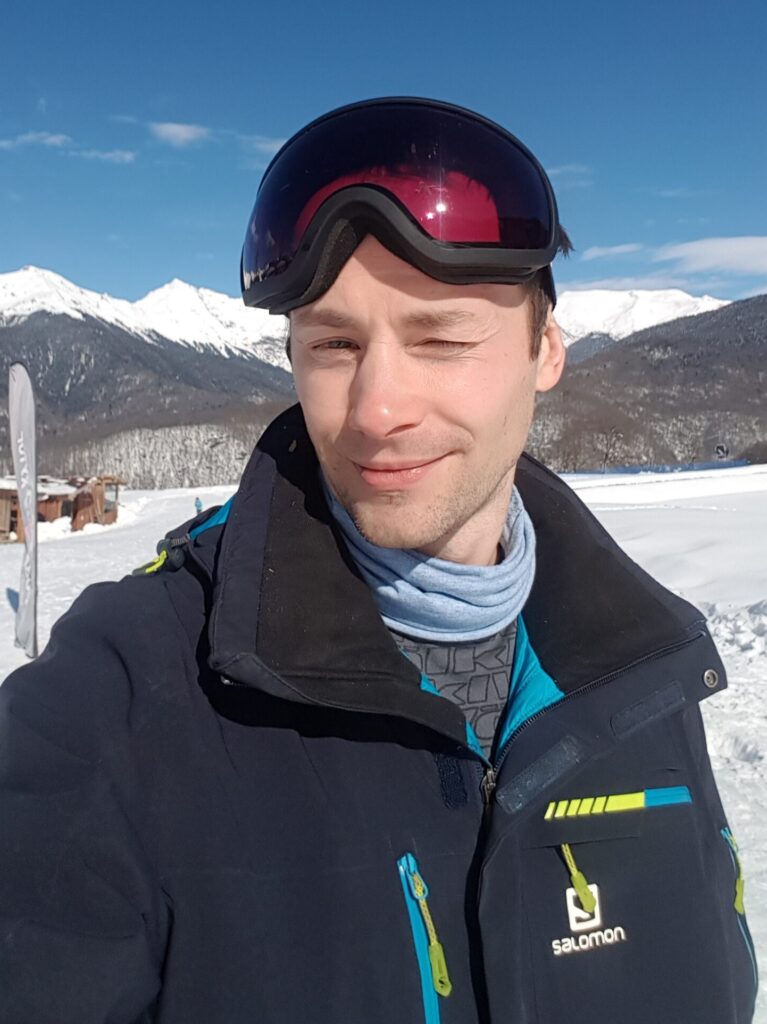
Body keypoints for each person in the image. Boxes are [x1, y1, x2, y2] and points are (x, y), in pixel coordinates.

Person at [0, 98, 757, 1024]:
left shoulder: (643, 668)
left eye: (441, 339)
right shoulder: (124, 695)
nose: (375, 411)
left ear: (545, 352)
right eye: (333, 344)